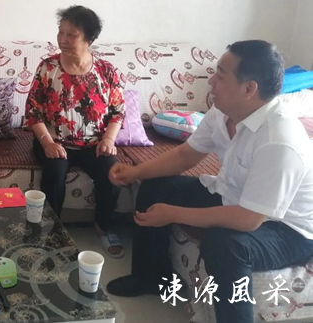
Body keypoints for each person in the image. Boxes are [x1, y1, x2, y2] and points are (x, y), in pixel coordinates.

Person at [107, 40, 313, 323]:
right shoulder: (223, 112)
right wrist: (136, 173)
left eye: (221, 75)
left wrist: (173, 214)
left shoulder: (279, 139)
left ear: (249, 89)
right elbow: (186, 155)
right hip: (234, 195)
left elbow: (248, 219)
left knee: (226, 245)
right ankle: (150, 278)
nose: (211, 81)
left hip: (287, 227)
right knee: (156, 188)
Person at [24, 5, 126, 258]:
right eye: (61, 32)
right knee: (55, 171)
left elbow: (117, 112)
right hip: (54, 140)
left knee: (112, 173)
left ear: (89, 39)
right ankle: (51, 231)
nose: (63, 39)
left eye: (71, 35)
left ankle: (104, 227)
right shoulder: (48, 68)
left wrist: (109, 139)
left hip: (94, 143)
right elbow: (33, 111)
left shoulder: (106, 71)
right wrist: (47, 142)